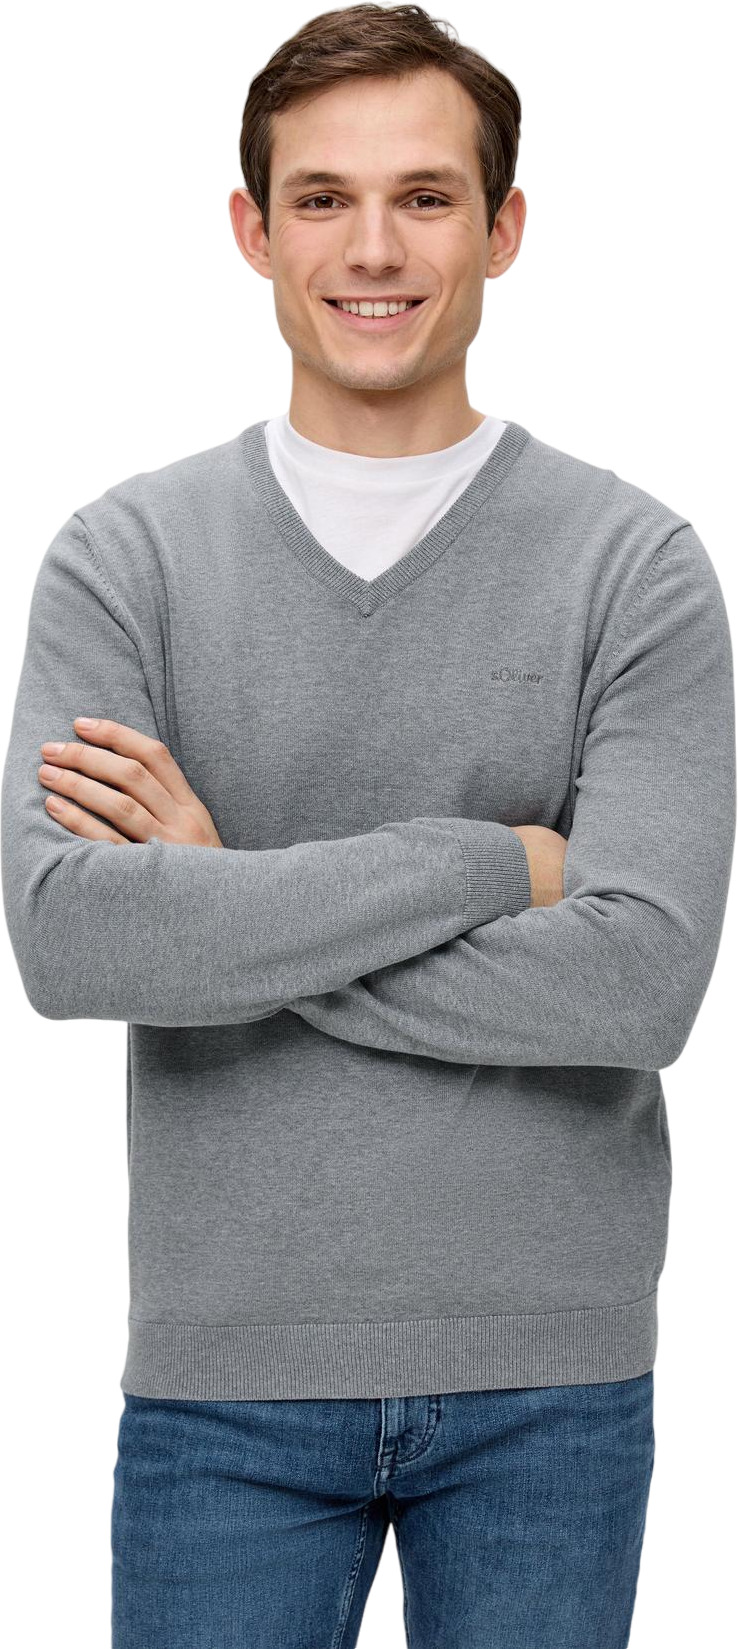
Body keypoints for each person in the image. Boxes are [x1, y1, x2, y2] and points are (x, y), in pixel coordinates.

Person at [1, 5, 734, 1646]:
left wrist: (222, 904)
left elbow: (638, 983)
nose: (374, 248)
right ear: (252, 230)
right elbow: (72, 941)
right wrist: (498, 861)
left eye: (424, 196)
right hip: (225, 1375)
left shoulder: (634, 567)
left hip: (549, 1375)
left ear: (502, 227)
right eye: (322, 198)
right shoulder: (125, 559)